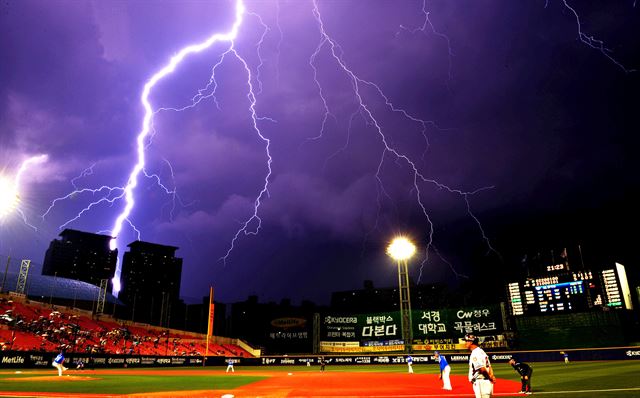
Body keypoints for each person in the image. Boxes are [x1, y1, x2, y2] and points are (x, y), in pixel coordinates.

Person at [464, 334, 496, 398]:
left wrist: (490, 378)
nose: (465, 343)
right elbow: (489, 366)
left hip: (481, 383)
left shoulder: (475, 353)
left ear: (471, 342)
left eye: (466, 341)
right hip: (486, 382)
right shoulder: (481, 351)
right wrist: (491, 376)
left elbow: (482, 369)